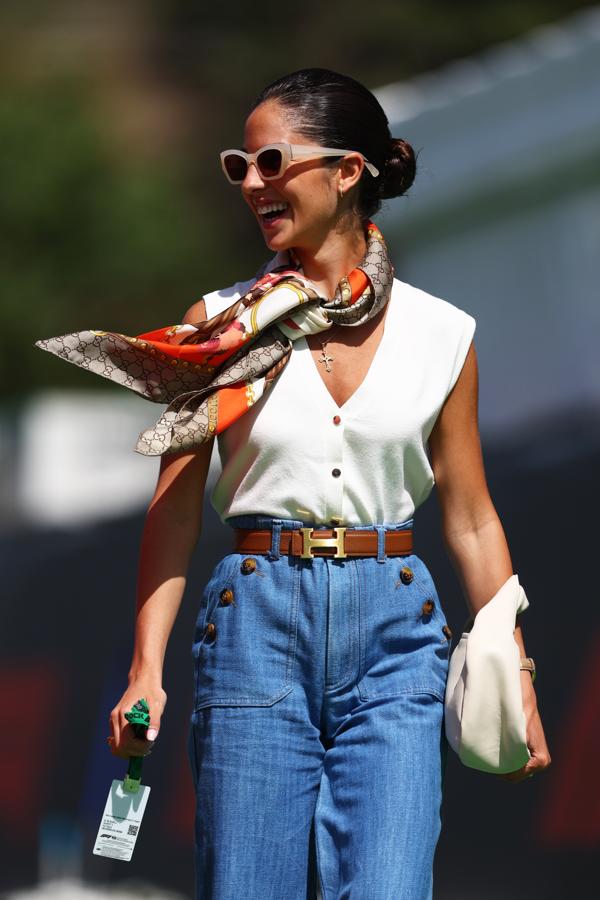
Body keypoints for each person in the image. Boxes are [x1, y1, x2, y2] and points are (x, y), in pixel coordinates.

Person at [37, 68, 551, 899]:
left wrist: (514, 672)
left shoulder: (443, 336)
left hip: (398, 636)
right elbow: (173, 513)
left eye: (271, 161)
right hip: (255, 624)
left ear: (347, 171)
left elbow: (471, 518)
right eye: (237, 165)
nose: (251, 183)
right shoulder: (218, 328)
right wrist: (145, 668)